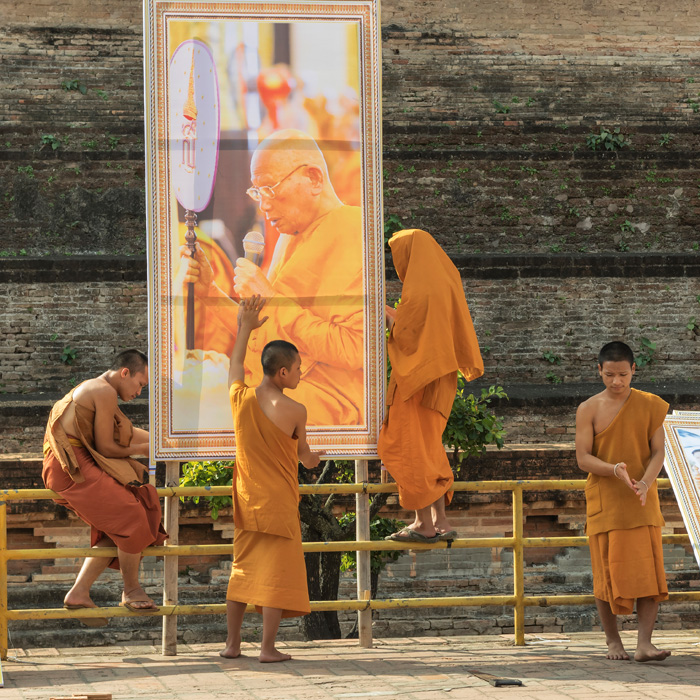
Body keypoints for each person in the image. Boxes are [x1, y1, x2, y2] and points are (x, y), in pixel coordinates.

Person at [180, 129, 364, 427]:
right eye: (257, 193)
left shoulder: (354, 230)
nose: (263, 206)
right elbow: (265, 334)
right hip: (275, 387)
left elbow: (355, 350)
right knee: (185, 391)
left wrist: (273, 300)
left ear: (314, 179)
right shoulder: (288, 238)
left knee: (201, 409)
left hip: (328, 401)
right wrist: (209, 292)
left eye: (269, 189)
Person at [220, 295, 323, 663]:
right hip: (279, 504)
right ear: (282, 373)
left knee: (243, 571)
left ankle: (232, 645)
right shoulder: (295, 410)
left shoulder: (240, 398)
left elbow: (233, 363)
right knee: (276, 577)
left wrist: (244, 325)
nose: (300, 374)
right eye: (297, 369)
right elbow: (305, 457)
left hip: (248, 502)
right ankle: (267, 648)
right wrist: (316, 458)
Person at [42, 350, 167, 624]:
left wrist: (165, 441)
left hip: (75, 465)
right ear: (125, 373)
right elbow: (108, 448)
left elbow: (125, 435)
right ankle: (131, 589)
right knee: (132, 516)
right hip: (71, 468)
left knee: (138, 507)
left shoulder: (99, 389)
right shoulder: (103, 390)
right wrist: (152, 448)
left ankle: (78, 593)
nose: (139, 392)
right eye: (140, 384)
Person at [379, 229, 484, 544]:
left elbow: (409, 335)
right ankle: (440, 519)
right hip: (440, 377)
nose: (398, 262)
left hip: (418, 380)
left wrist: (385, 316)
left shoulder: (421, 288)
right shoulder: (444, 279)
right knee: (428, 445)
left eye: (399, 254)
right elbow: (426, 330)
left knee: (405, 443)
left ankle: (422, 523)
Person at [575, 341, 671, 662]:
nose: (616, 382)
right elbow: (583, 459)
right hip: (606, 501)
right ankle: (613, 641)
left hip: (641, 500)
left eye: (623, 374)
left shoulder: (650, 405)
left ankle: (645, 644)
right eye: (609, 374)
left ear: (634, 370)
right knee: (606, 576)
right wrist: (613, 469)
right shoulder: (588, 408)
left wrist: (645, 482)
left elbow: (659, 450)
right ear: (598, 370)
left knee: (649, 576)